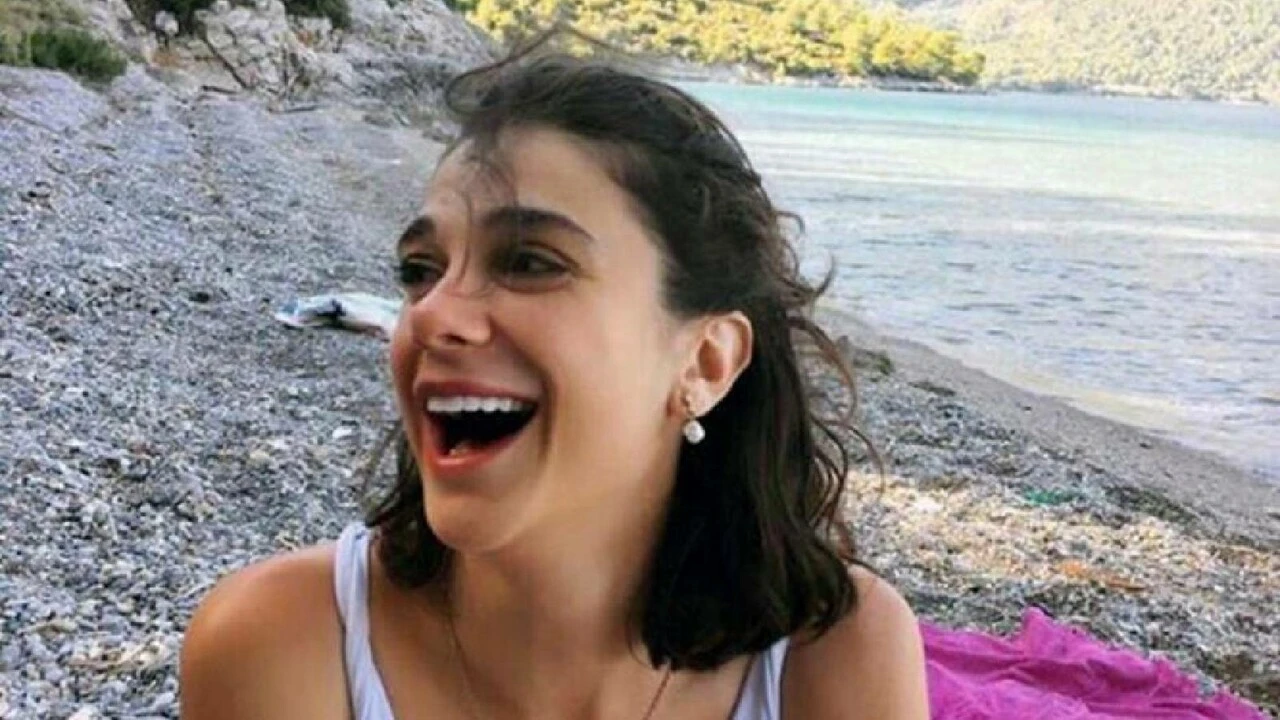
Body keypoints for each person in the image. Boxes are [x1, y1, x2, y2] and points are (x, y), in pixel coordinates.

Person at [179, 34, 928, 720]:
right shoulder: (279, 644)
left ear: (705, 362)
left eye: (531, 262)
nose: (432, 315)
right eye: (420, 271)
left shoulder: (832, 655)